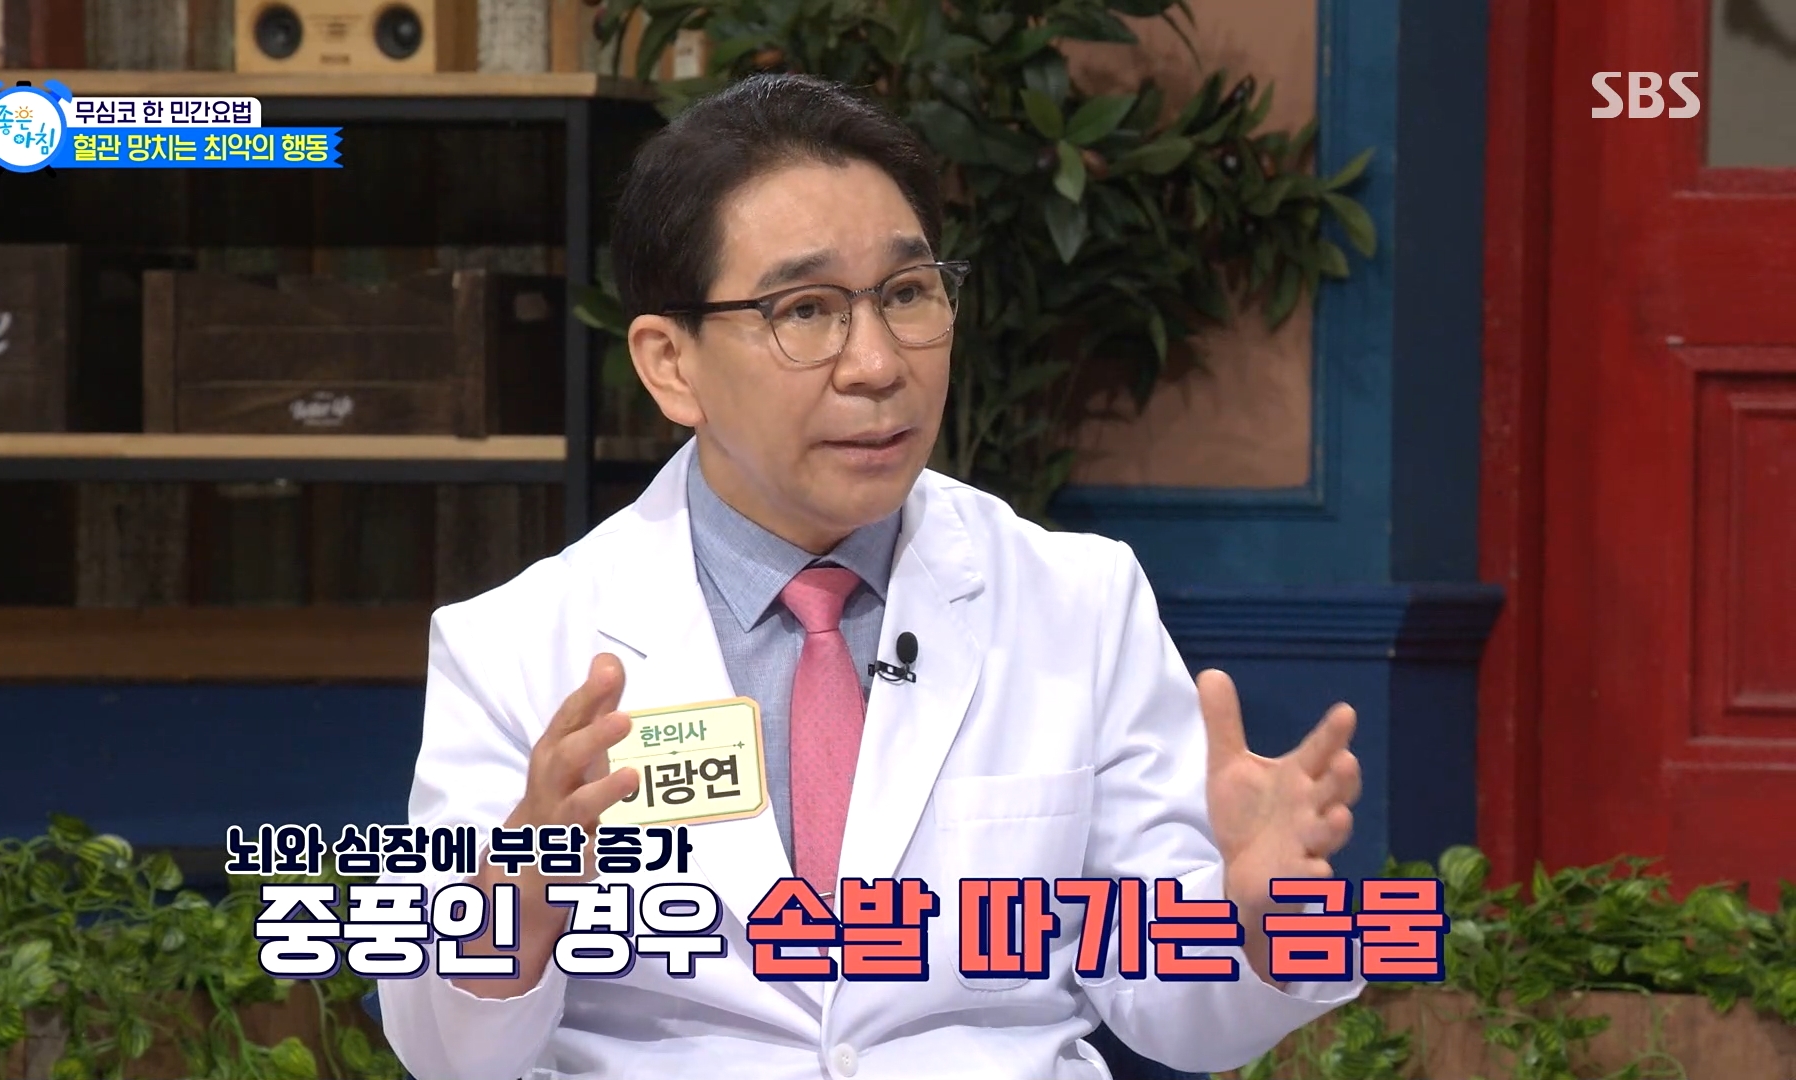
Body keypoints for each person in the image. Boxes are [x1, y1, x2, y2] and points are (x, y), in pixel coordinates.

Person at [378, 73, 1365, 1080]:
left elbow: (1174, 1007)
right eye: (804, 310)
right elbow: (447, 1055)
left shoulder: (1077, 602)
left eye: (905, 294)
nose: (877, 364)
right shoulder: (516, 644)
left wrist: (1260, 915)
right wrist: (521, 890)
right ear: (671, 363)